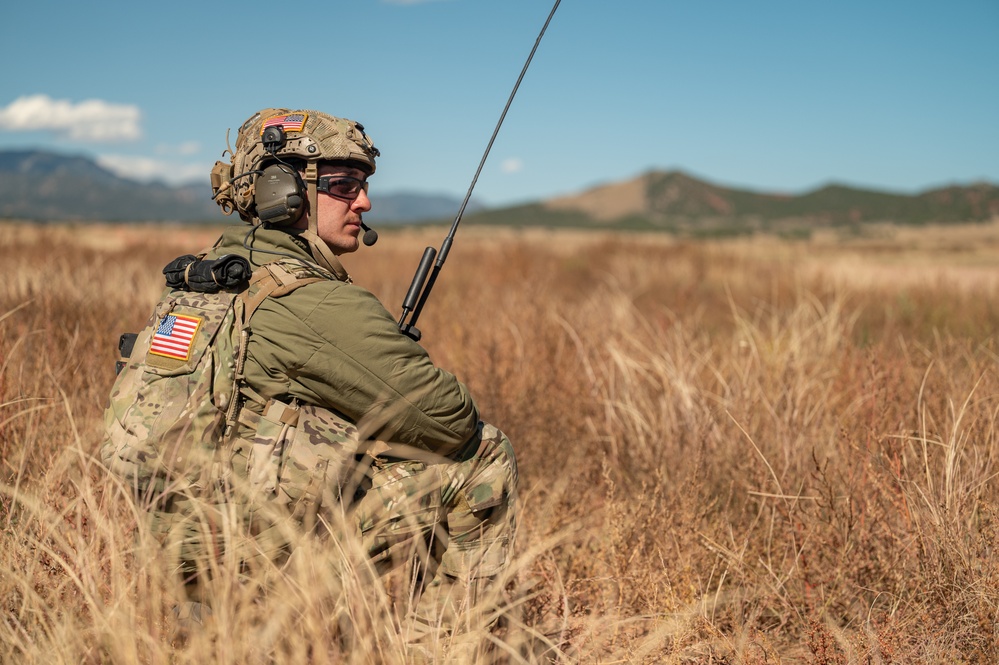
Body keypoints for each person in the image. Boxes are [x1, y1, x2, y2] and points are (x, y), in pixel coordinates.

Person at [99, 108, 518, 642]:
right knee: (483, 455)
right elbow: (449, 420)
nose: (363, 202)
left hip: (178, 550)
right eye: (343, 185)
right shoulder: (310, 299)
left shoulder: (207, 275)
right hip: (255, 559)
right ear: (283, 192)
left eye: (364, 185)